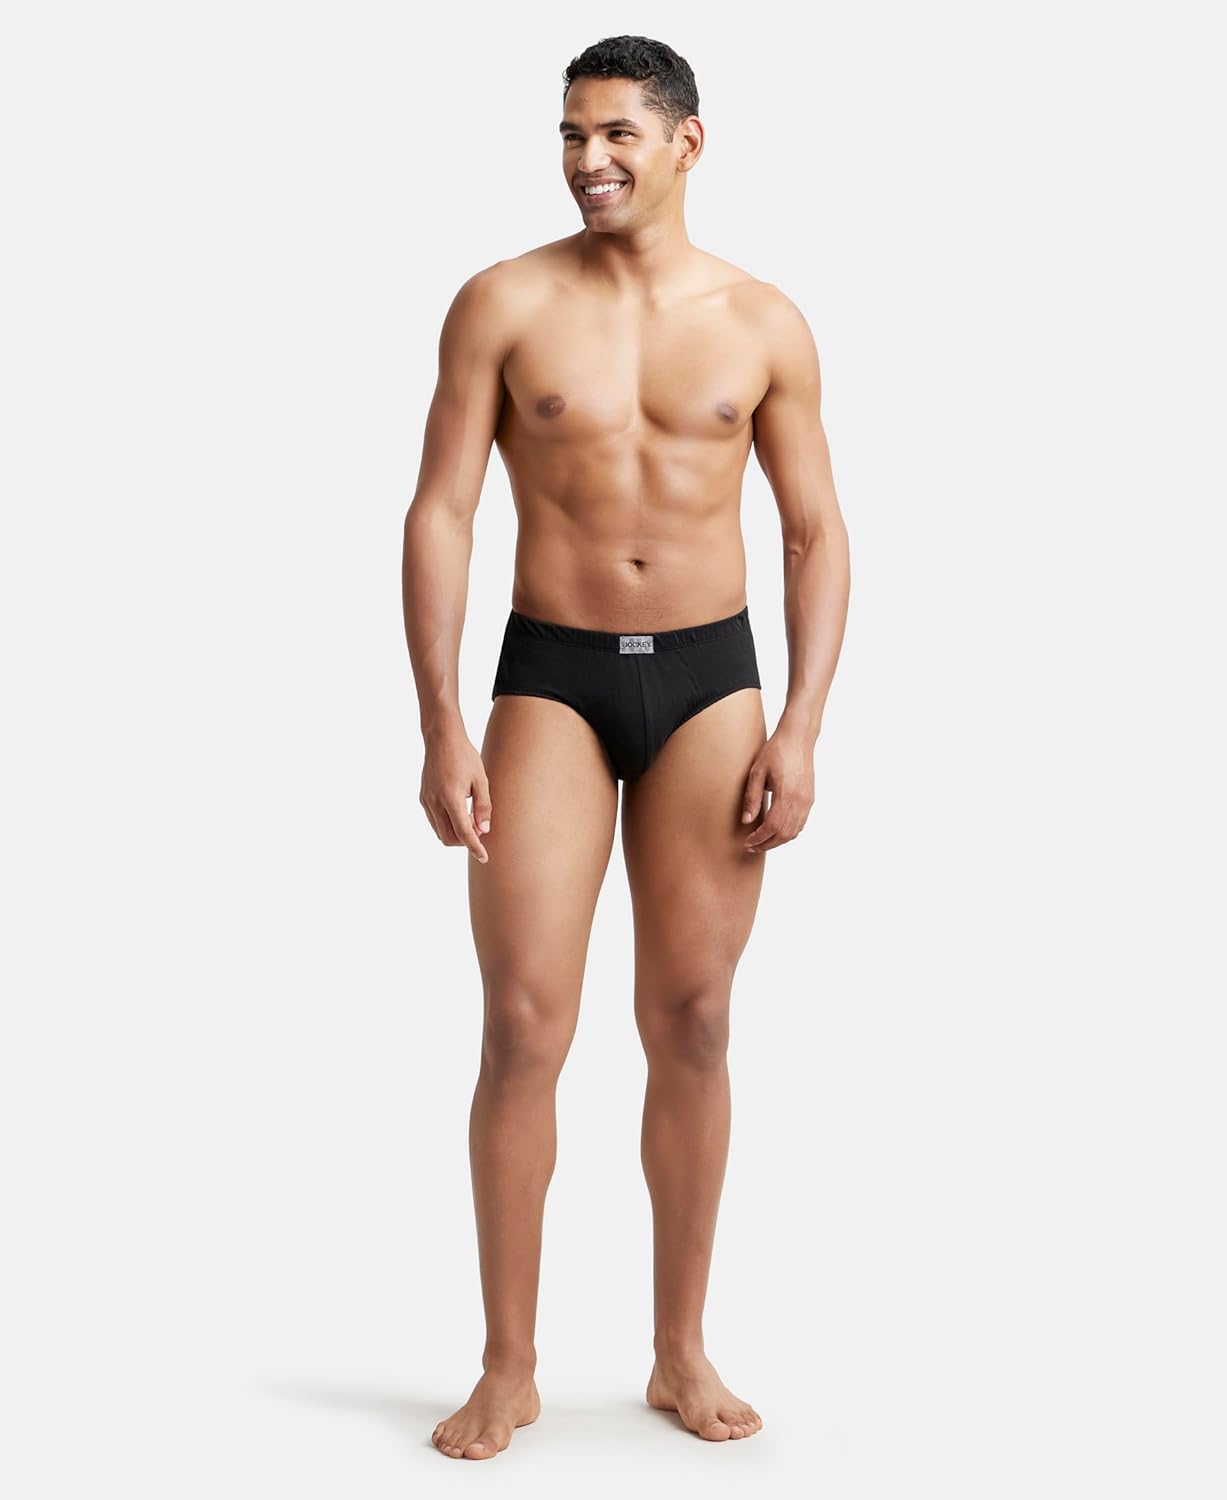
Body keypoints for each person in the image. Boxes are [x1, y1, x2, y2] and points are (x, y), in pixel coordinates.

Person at [402, 34, 850, 1461]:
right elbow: (442, 510)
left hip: (714, 683)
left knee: (695, 1019)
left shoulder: (763, 321)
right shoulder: (504, 302)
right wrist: (440, 719)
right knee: (525, 1023)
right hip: (552, 675)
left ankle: (679, 1351)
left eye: (616, 136)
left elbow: (814, 531)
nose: (587, 160)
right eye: (570, 135)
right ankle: (509, 1365)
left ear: (686, 144)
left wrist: (802, 724)